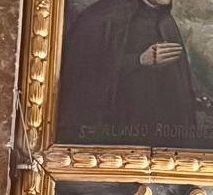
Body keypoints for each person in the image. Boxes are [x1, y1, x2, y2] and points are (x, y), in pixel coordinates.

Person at [57, 0, 197, 145]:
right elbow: (85, 73)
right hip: (119, 124)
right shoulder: (100, 18)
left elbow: (180, 84)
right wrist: (139, 60)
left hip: (160, 127)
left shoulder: (165, 20)